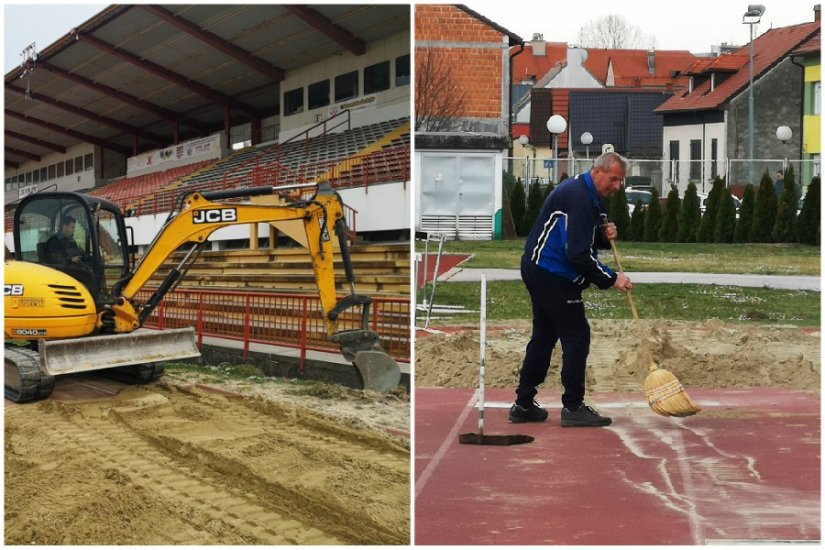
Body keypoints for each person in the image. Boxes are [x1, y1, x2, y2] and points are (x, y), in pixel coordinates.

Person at [510, 152, 633, 428]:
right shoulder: (578, 196)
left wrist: (603, 235)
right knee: (577, 335)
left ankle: (524, 404)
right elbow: (577, 254)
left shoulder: (591, 195)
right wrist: (612, 278)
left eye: (620, 181)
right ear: (597, 171)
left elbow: (584, 237)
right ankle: (573, 406)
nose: (616, 186)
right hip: (551, 271)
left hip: (542, 268)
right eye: (613, 179)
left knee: (544, 335)